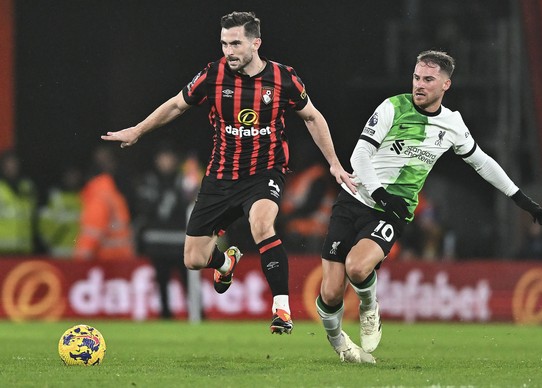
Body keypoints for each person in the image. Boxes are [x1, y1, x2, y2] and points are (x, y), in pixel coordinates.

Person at [101, 11, 355, 334]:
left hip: (264, 173)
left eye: (235, 43)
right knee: (193, 258)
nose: (228, 51)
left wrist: (333, 161)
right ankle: (225, 262)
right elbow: (177, 105)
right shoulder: (213, 75)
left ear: (256, 43)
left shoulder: (283, 79)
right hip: (220, 177)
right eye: (224, 43)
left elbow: (312, 118)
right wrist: (138, 130)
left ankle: (281, 309)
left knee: (262, 224)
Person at [315, 50, 542, 363]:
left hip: (392, 210)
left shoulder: (452, 124)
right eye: (416, 77)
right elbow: (359, 156)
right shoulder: (393, 107)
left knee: (358, 267)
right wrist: (381, 192)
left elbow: (482, 162)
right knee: (331, 293)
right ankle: (341, 345)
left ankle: (370, 307)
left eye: (428, 79)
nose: (419, 85)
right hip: (355, 198)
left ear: (445, 85)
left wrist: (522, 199)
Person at [134, 145, 192, 319]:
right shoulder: (149, 181)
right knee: (162, 283)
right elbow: (143, 208)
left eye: (169, 158)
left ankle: (198, 314)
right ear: (157, 161)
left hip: (181, 242)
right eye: (162, 158)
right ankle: (165, 315)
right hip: (158, 244)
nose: (166, 162)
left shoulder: (185, 180)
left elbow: (192, 205)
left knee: (190, 283)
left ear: (175, 160)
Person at [74, 146, 135, 261]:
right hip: (122, 260)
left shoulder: (97, 198)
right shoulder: (114, 194)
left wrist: (78, 265)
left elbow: (91, 235)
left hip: (106, 262)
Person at [38, 166, 83, 258]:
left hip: (80, 253)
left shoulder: (83, 197)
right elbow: (44, 224)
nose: (73, 178)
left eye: (75, 175)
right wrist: (52, 242)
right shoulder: (55, 198)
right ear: (64, 176)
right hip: (59, 253)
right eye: (70, 175)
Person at [0, 149, 38, 255]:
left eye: (14, 164)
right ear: (2, 166)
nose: (12, 167)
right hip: (2, 251)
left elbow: (33, 217)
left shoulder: (27, 187)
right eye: (8, 164)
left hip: (23, 249)